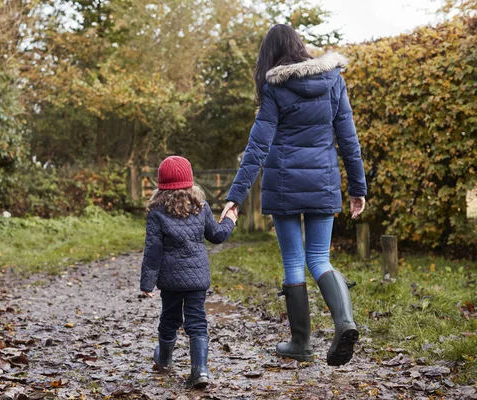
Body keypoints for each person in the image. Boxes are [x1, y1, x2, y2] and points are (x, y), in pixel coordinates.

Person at [220, 24, 367, 366]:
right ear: (300, 46)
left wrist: (235, 197)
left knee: (294, 263)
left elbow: (257, 146)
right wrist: (357, 189)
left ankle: (301, 344)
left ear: (269, 54)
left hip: (284, 186)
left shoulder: (275, 87)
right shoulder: (334, 80)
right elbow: (349, 140)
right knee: (319, 258)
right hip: (323, 183)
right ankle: (344, 321)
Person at [140, 155, 237, 388]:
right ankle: (200, 370)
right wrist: (230, 220)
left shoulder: (156, 213)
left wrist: (147, 283)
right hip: (197, 279)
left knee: (169, 319)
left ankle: (163, 358)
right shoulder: (201, 209)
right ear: (190, 183)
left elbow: (153, 251)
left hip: (171, 281)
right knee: (197, 322)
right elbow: (217, 236)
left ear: (160, 186)